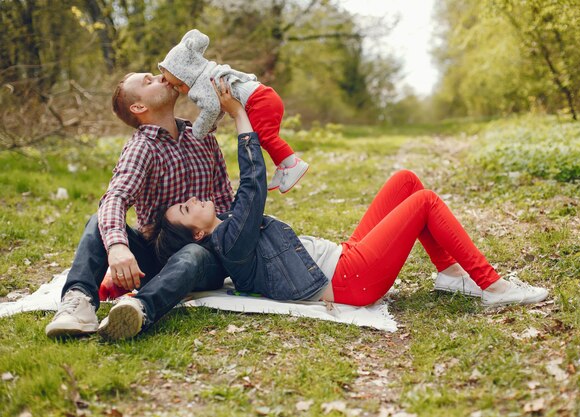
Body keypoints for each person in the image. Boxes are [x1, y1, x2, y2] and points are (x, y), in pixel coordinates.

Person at [152, 79, 549, 308]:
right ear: (199, 234)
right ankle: (494, 287)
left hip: (345, 255)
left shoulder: (227, 223)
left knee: (406, 181)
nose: (193, 200)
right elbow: (253, 184)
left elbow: (246, 190)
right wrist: (240, 116)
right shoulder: (230, 243)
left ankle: (449, 274)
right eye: (187, 209)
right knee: (424, 203)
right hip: (349, 279)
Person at [45, 72, 234, 341]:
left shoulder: (201, 136)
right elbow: (115, 198)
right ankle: (79, 303)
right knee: (98, 220)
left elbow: (226, 201)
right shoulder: (141, 148)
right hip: (154, 260)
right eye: (149, 81)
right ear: (138, 108)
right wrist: (118, 247)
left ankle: (139, 309)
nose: (161, 76)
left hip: (206, 258)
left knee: (192, 253)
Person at [159, 29, 308, 194]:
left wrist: (199, 131)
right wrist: (212, 125)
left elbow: (211, 108)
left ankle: (293, 163)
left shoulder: (201, 83)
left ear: (188, 73)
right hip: (264, 97)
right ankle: (283, 166)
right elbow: (218, 106)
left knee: (266, 137)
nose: (180, 90)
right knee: (263, 138)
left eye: (180, 84)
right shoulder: (208, 73)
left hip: (259, 101)